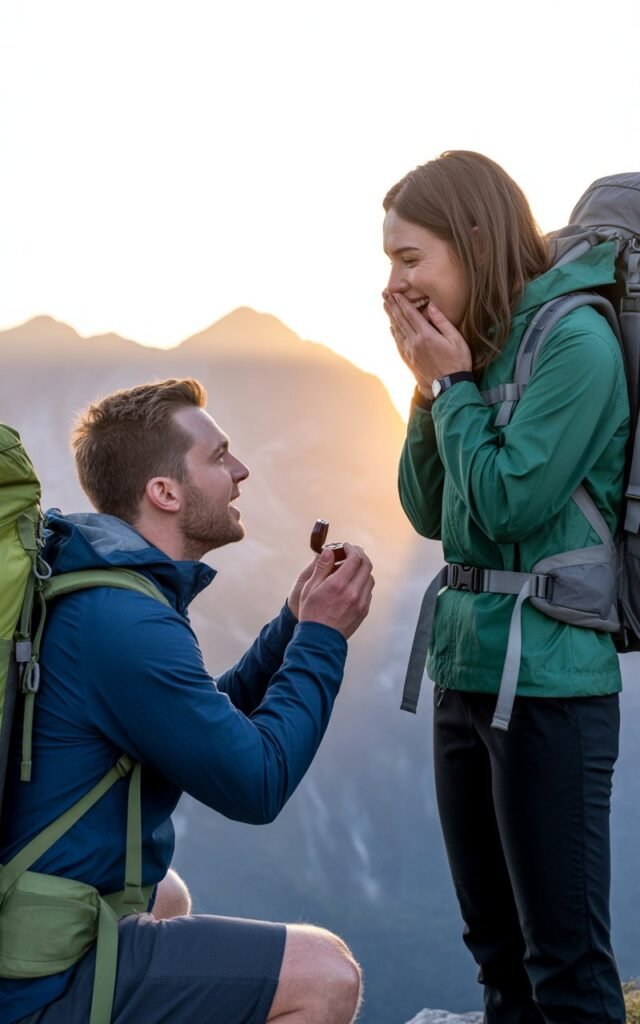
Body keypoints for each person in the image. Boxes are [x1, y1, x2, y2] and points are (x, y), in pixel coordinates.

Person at [0, 377, 374, 1024]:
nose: (241, 470)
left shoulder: (99, 584)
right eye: (219, 456)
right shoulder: (126, 623)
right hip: (38, 980)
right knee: (326, 974)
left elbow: (194, 719)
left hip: (37, 913)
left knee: (166, 895)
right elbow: (256, 783)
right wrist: (322, 638)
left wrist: (291, 624)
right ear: (165, 493)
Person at [382, 151, 628, 1023]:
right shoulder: (476, 344)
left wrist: (450, 384)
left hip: (552, 683)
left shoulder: (578, 343)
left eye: (410, 258)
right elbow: (429, 508)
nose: (394, 283)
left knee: (565, 963)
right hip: (466, 667)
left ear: (474, 241)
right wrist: (429, 391)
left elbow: (510, 502)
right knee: (496, 953)